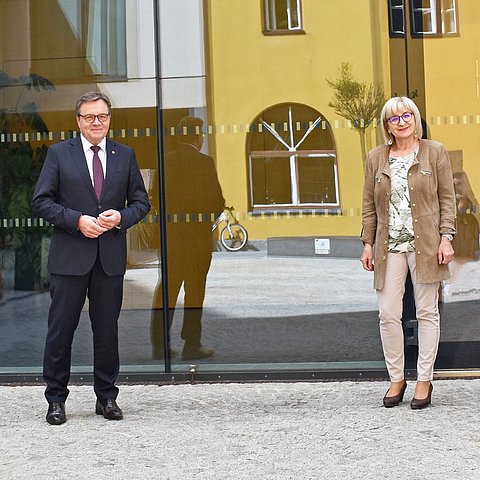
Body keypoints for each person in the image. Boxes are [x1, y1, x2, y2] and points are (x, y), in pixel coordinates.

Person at [32, 91, 150, 425]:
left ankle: (107, 398)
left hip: (108, 259)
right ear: (78, 120)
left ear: (109, 119)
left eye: (102, 116)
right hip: (70, 258)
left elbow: (141, 203)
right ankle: (55, 400)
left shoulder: (124, 155)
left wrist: (121, 218)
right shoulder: (59, 154)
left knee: (107, 332)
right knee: (61, 331)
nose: (96, 122)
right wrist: (77, 220)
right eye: (89, 116)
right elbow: (41, 201)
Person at [360, 96, 456, 409]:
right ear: (387, 126)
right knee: (388, 313)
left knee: (427, 311)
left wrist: (446, 237)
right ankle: (397, 378)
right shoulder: (376, 157)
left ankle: (424, 380)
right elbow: (368, 205)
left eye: (406, 115)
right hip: (389, 247)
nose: (402, 121)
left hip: (427, 243)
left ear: (415, 118)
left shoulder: (434, 152)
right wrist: (367, 242)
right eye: (394, 118)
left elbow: (447, 199)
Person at [151, 116, 224, 361]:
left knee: (167, 290)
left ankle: (160, 344)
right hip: (196, 239)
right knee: (194, 291)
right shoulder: (204, 163)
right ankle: (192, 344)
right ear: (198, 136)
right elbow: (217, 201)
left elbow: (155, 199)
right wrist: (205, 222)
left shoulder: (165, 162)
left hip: (170, 238)